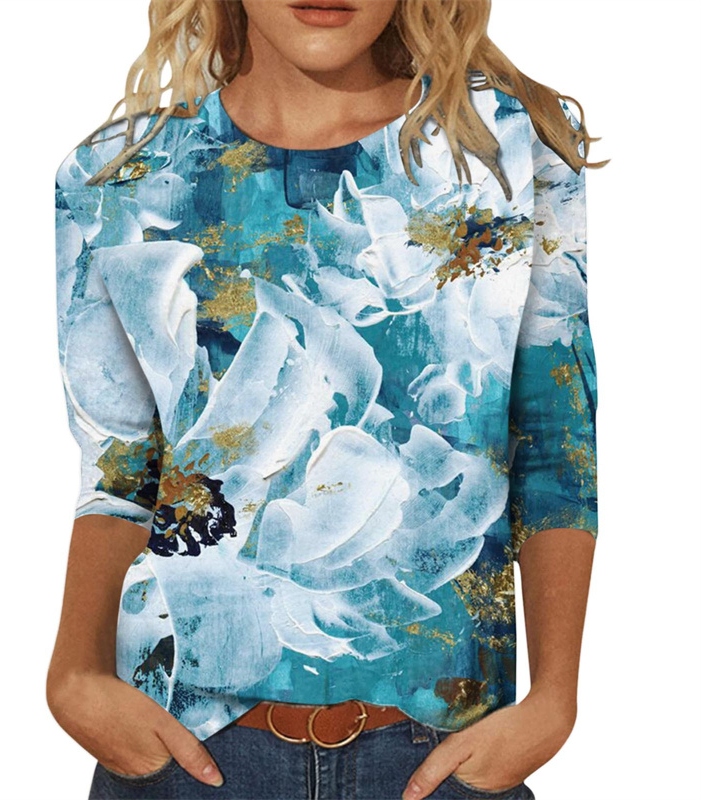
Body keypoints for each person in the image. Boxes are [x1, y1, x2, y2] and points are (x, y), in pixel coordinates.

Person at [48, 1, 607, 798]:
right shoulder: (121, 177)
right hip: (184, 752)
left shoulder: (506, 152)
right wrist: (73, 673)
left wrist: (554, 699)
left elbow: (556, 447)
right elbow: (118, 468)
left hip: (444, 758)